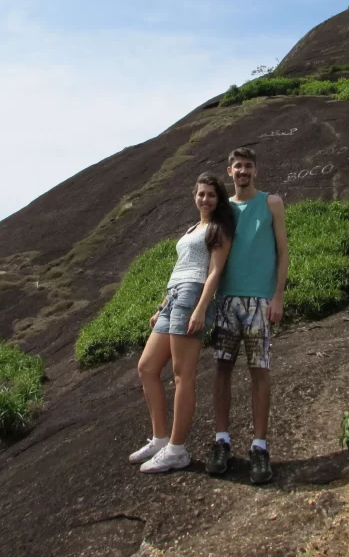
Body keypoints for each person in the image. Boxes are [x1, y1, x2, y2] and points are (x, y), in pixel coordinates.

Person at [131, 173, 236, 473]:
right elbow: (180, 266)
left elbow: (214, 271)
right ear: (195, 196)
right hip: (173, 297)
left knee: (181, 375)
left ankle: (177, 449)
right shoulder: (193, 228)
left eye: (211, 195)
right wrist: (161, 306)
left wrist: (201, 308)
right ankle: (160, 438)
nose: (205, 199)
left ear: (219, 199)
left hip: (193, 296)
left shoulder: (219, 228)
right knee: (147, 368)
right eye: (201, 194)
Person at [205, 147, 289, 485]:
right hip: (226, 299)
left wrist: (278, 295)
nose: (243, 171)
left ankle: (259, 447)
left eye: (249, 166)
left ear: (256, 170)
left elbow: (283, 250)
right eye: (238, 166)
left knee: (260, 371)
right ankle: (222, 441)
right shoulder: (222, 210)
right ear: (229, 171)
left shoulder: (272, 203)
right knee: (222, 369)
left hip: (258, 301)